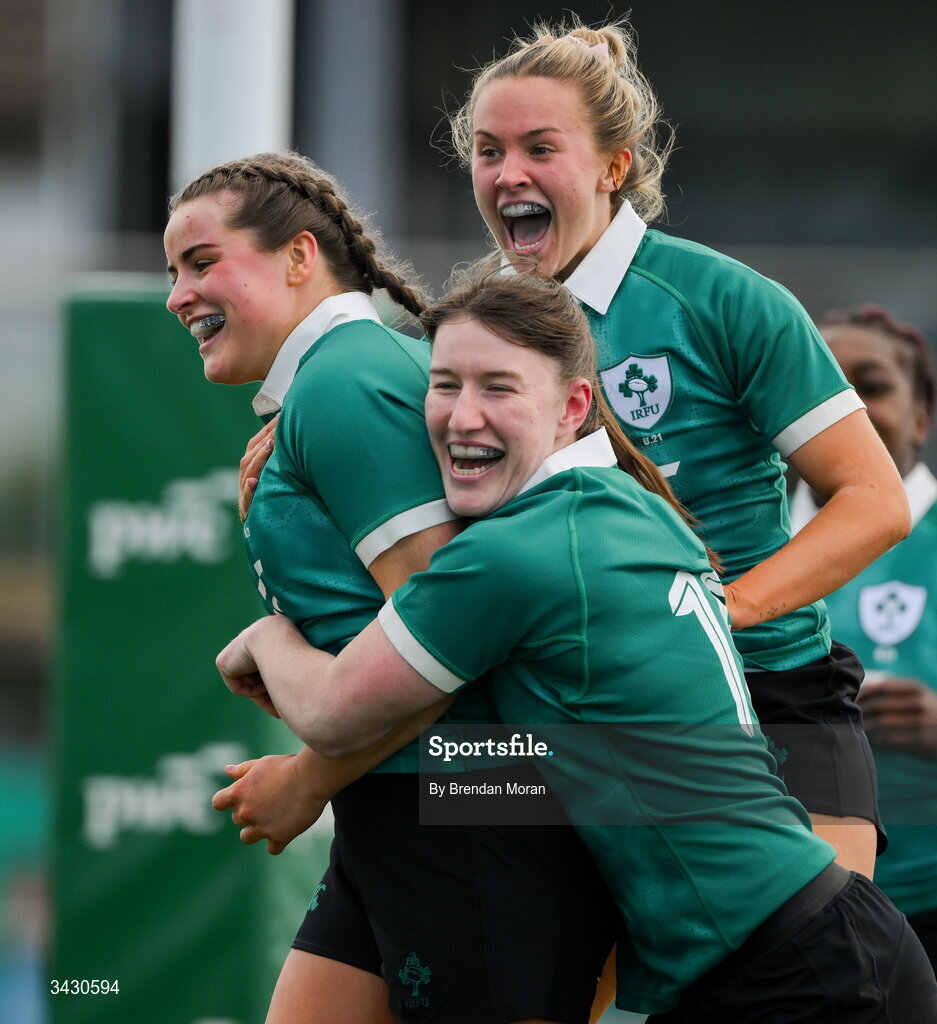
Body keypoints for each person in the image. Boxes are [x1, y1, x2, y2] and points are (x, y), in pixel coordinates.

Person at [217, 269, 937, 1021]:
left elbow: (335, 712)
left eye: (497, 388)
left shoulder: (522, 554)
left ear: (572, 407)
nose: (463, 417)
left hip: (805, 973)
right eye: (443, 386)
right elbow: (562, 766)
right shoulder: (629, 503)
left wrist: (269, 644)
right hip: (798, 956)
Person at [443, 16, 912, 877]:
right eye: (486, 150)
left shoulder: (723, 299)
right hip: (553, 712)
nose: (507, 173)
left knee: (829, 970)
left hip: (767, 693)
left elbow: (874, 503)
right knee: (473, 954)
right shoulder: (461, 330)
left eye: (539, 148)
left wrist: (712, 615)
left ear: (613, 167)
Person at [165, 152, 619, 1024]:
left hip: (461, 802)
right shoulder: (336, 382)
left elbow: (445, 628)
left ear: (300, 257)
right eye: (173, 271)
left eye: (201, 262)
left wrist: (306, 770)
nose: (178, 295)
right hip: (415, 797)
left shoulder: (344, 377)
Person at [790, 305, 937, 971]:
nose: (843, 408)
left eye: (869, 387)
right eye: (822, 387)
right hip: (777, 907)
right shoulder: (732, 546)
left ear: (920, 416)